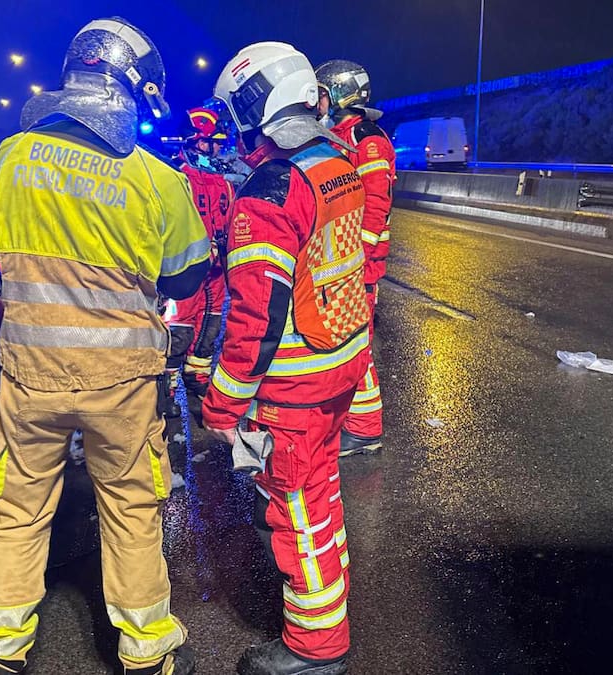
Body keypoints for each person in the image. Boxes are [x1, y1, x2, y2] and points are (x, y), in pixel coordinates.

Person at [0, 17, 208, 675]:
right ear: (129, 85)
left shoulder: (11, 156)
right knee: (130, 507)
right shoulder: (157, 179)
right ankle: (145, 646)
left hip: (28, 372)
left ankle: (3, 644)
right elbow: (188, 273)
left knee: (17, 506)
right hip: (119, 380)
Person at [203, 42, 371, 675]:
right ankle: (329, 610)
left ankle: (315, 650)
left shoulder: (270, 190)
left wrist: (222, 405)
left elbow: (255, 318)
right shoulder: (338, 164)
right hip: (341, 366)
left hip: (295, 387)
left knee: (295, 509)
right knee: (321, 498)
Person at [315, 60, 397, 457]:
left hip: (358, 265)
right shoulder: (340, 136)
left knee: (356, 345)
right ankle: (352, 421)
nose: (319, 101)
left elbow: (375, 202)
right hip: (343, 261)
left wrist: (358, 257)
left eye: (324, 93)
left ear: (341, 96)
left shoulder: (368, 140)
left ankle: (365, 429)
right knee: (343, 340)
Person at [165, 107, 234, 403]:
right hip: (187, 268)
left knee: (210, 322)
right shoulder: (176, 177)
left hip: (217, 270)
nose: (218, 149)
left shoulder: (225, 182)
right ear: (195, 141)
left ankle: (197, 374)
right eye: (212, 142)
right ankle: (165, 381)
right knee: (179, 324)